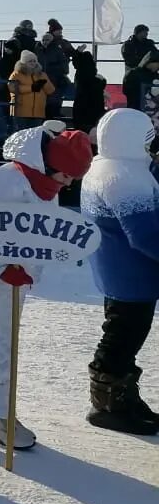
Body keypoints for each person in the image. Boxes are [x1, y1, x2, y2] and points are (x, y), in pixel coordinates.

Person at [0, 121, 92, 449]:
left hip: (13, 282)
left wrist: (30, 272)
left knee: (5, 340)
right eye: (66, 174)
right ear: (49, 163)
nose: (68, 183)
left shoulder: (45, 186)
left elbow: (41, 237)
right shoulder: (1, 184)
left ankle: (0, 410)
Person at [81, 109, 159, 435]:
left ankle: (122, 395)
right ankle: (108, 404)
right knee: (122, 337)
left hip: (118, 270)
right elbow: (144, 235)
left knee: (122, 334)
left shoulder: (107, 166)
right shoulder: (125, 178)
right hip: (132, 274)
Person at [8, 50, 55, 129]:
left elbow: (51, 91)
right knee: (21, 136)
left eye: (34, 61)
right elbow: (12, 88)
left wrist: (44, 82)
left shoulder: (42, 74)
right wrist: (31, 88)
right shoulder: (17, 74)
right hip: (20, 112)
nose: (33, 63)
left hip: (38, 112)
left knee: (35, 136)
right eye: (30, 61)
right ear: (24, 62)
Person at [70, 48, 107, 134]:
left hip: (81, 108)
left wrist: (77, 52)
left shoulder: (79, 76)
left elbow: (75, 63)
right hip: (95, 110)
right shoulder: (98, 79)